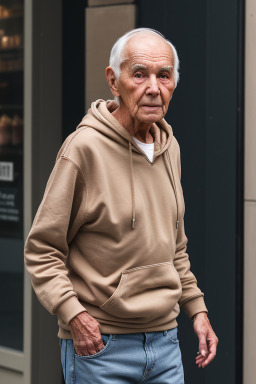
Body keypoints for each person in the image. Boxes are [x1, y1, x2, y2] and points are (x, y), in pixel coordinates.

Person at [24, 28, 218, 383]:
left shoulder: (169, 148)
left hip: (166, 343)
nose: (153, 87)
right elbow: (42, 250)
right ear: (114, 81)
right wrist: (75, 317)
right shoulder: (83, 149)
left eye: (164, 75)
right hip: (101, 348)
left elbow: (174, 246)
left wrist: (197, 310)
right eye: (139, 74)